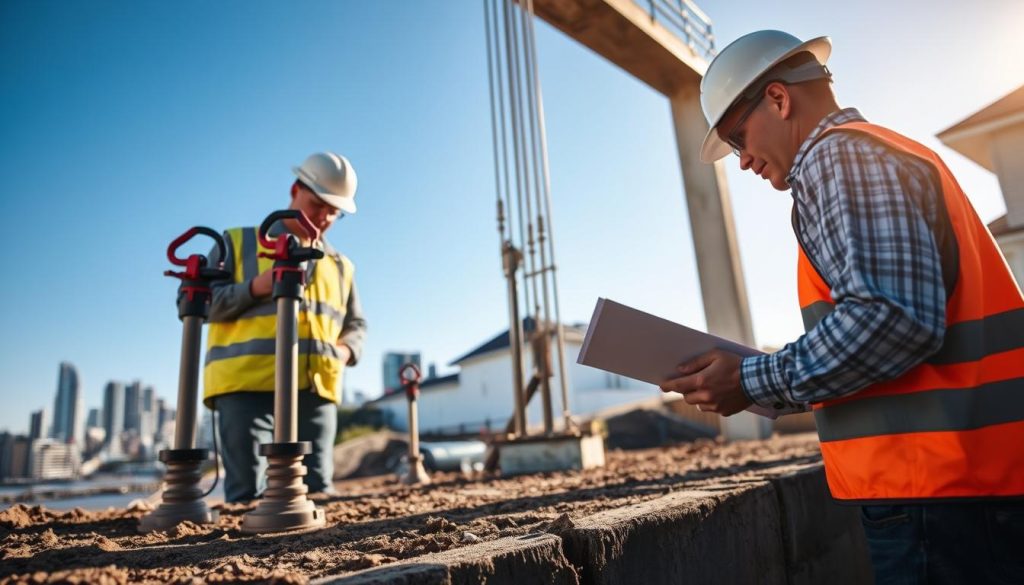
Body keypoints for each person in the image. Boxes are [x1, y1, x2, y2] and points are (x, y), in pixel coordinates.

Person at [658, 30, 1024, 584]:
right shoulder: (882, 151)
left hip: (942, 497)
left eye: (738, 138)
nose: (742, 162)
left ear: (779, 99)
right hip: (969, 488)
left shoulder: (838, 157)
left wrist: (753, 380)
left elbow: (892, 317)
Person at [202, 151, 367, 503]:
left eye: (333, 211)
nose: (323, 217)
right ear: (295, 190)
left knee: (317, 492)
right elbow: (199, 305)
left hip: (315, 388)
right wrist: (255, 288)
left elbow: (356, 324)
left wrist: (345, 351)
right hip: (246, 387)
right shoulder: (236, 243)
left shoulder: (340, 266)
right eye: (316, 203)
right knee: (247, 495)